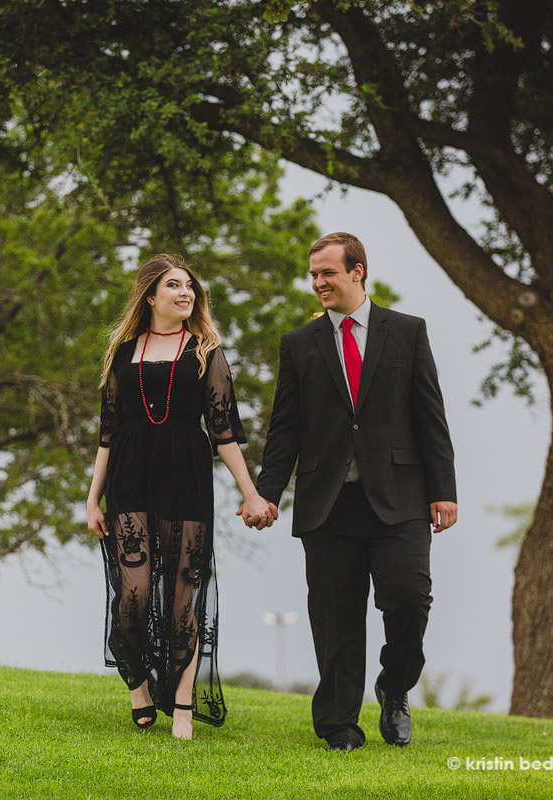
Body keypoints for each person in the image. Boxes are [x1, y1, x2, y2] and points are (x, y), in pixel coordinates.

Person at [243, 231, 457, 751]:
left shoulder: (407, 332)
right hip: (328, 502)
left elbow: (431, 416)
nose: (317, 282)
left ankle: (394, 686)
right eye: (313, 274)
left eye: (327, 273)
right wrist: (266, 492)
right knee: (335, 619)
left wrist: (444, 490)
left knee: (409, 599)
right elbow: (285, 428)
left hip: (400, 499)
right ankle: (339, 725)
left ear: (357, 271)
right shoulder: (299, 344)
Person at [86, 254, 274, 739]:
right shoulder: (122, 352)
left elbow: (225, 430)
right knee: (134, 592)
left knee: (181, 599)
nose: (185, 293)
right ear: (151, 296)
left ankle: (184, 708)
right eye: (173, 285)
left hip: (185, 475)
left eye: (190, 286)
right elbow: (107, 432)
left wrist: (251, 494)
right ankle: (139, 686)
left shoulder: (206, 351)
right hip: (130, 476)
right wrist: (92, 500)